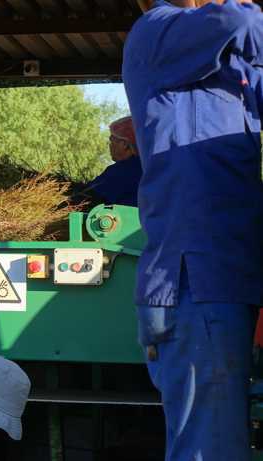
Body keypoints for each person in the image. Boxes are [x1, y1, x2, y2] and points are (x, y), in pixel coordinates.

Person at [123, 1, 263, 459]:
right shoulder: (156, 33)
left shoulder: (237, 69)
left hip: (228, 278)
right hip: (195, 284)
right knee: (211, 451)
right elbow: (241, 21)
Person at [85, 116, 142, 207]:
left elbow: (88, 197)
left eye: (112, 141)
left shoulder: (123, 170)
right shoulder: (149, 169)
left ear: (124, 144)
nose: (110, 146)